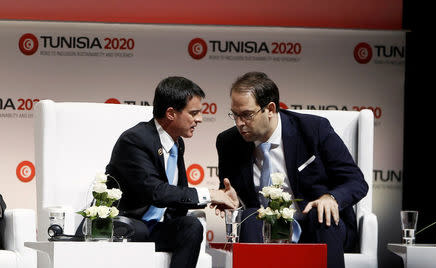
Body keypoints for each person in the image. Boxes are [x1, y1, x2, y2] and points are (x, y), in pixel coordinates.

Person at [215, 72, 368, 268]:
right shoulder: (228, 142)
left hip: (315, 223)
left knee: (322, 216)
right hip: (265, 228)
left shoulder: (313, 129)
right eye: (235, 114)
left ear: (270, 109)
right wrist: (232, 201)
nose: (239, 123)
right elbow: (230, 193)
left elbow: (356, 181)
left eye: (246, 115)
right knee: (249, 216)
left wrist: (332, 198)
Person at [105, 76, 238, 268]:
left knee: (191, 226)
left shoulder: (177, 143)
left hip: (155, 228)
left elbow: (177, 196)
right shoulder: (135, 140)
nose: (199, 119)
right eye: (193, 113)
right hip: (127, 224)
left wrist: (218, 199)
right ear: (170, 114)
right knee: (141, 230)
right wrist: (209, 194)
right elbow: (156, 192)